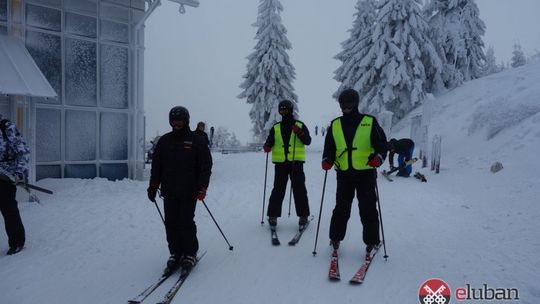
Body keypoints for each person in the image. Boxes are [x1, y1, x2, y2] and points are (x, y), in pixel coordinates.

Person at [147, 106, 212, 274]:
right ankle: (175, 252)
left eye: (180, 120)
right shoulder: (164, 141)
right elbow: (157, 166)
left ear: (186, 120)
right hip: (169, 190)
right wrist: (153, 186)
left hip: (190, 190)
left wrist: (203, 187)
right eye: (174, 121)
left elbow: (206, 166)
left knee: (185, 221)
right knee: (170, 222)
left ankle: (190, 253)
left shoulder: (197, 140)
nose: (176, 124)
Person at [321, 89, 388, 253]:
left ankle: (372, 241)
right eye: (343, 104)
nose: (346, 107)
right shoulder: (335, 124)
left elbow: (382, 144)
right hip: (343, 173)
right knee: (341, 208)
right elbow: (329, 147)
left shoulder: (369, 121)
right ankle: (335, 238)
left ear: (356, 103)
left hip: (365, 172)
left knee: (368, 208)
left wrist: (378, 158)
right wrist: (327, 160)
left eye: (349, 103)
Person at [263, 100, 311, 228]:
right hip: (281, 164)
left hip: (296, 163)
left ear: (290, 110)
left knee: (299, 190)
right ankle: (272, 215)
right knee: (278, 190)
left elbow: (308, 141)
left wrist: (300, 133)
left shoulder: (299, 125)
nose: (283, 112)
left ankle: (303, 215)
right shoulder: (276, 127)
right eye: (281, 110)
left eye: (285, 109)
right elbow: (270, 141)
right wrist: (267, 146)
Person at [0, 114, 30, 255]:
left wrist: (19, 173)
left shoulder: (6, 127)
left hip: (6, 177)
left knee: (9, 209)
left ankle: (17, 242)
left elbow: (23, 150)